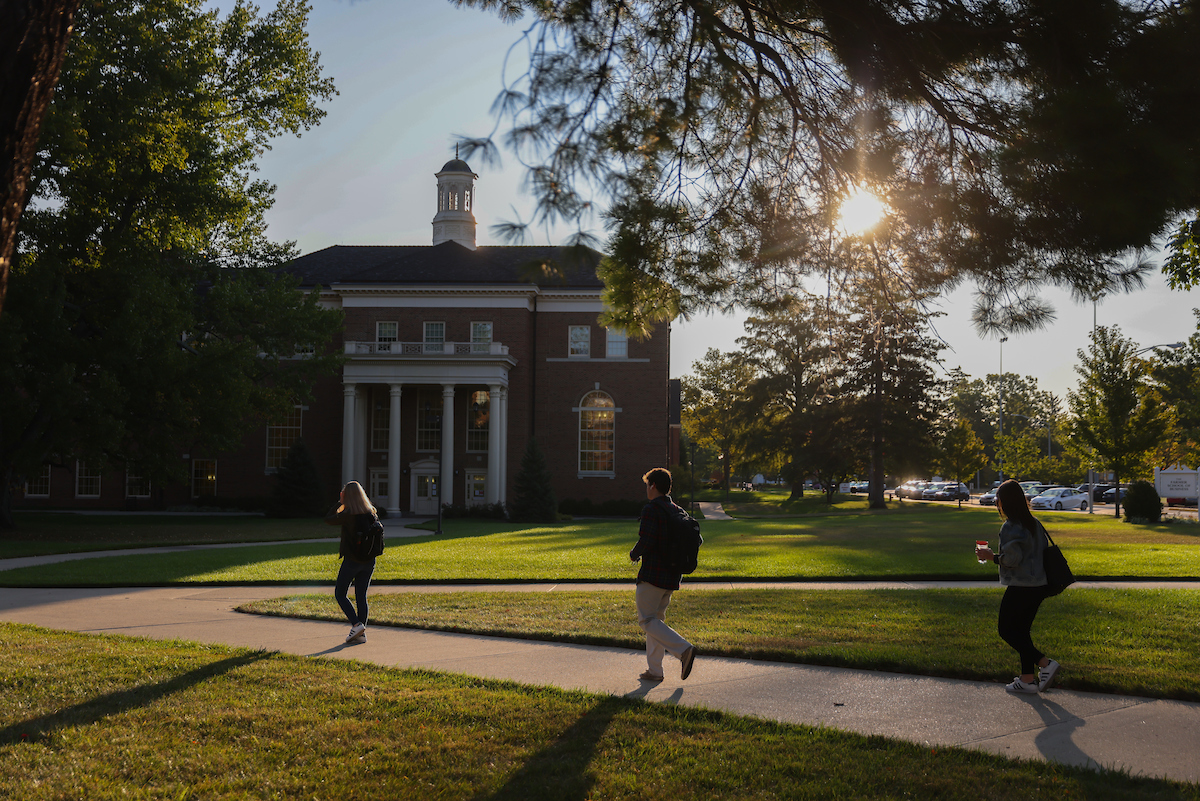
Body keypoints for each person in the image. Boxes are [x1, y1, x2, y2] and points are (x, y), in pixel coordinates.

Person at [975, 479, 1061, 694]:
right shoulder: (1034, 523)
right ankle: (1027, 679)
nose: (997, 503)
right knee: (1022, 631)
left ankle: (1045, 663)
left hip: (1022, 585)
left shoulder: (1011, 527)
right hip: (1040, 584)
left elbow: (1013, 559)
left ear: (1005, 502)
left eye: (998, 499)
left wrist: (991, 556)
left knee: (1006, 630)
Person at [629, 467, 696, 682]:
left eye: (647, 484)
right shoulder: (677, 509)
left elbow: (647, 540)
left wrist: (634, 554)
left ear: (653, 485)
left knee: (647, 620)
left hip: (653, 575)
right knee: (656, 621)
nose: (646, 489)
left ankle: (683, 650)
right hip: (672, 576)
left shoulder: (652, 509)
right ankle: (655, 671)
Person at [324, 481, 380, 644]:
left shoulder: (348, 515)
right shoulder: (371, 513)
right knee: (361, 595)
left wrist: (339, 502)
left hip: (352, 561)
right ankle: (360, 633)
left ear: (347, 496)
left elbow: (328, 519)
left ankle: (357, 625)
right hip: (369, 561)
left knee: (340, 594)